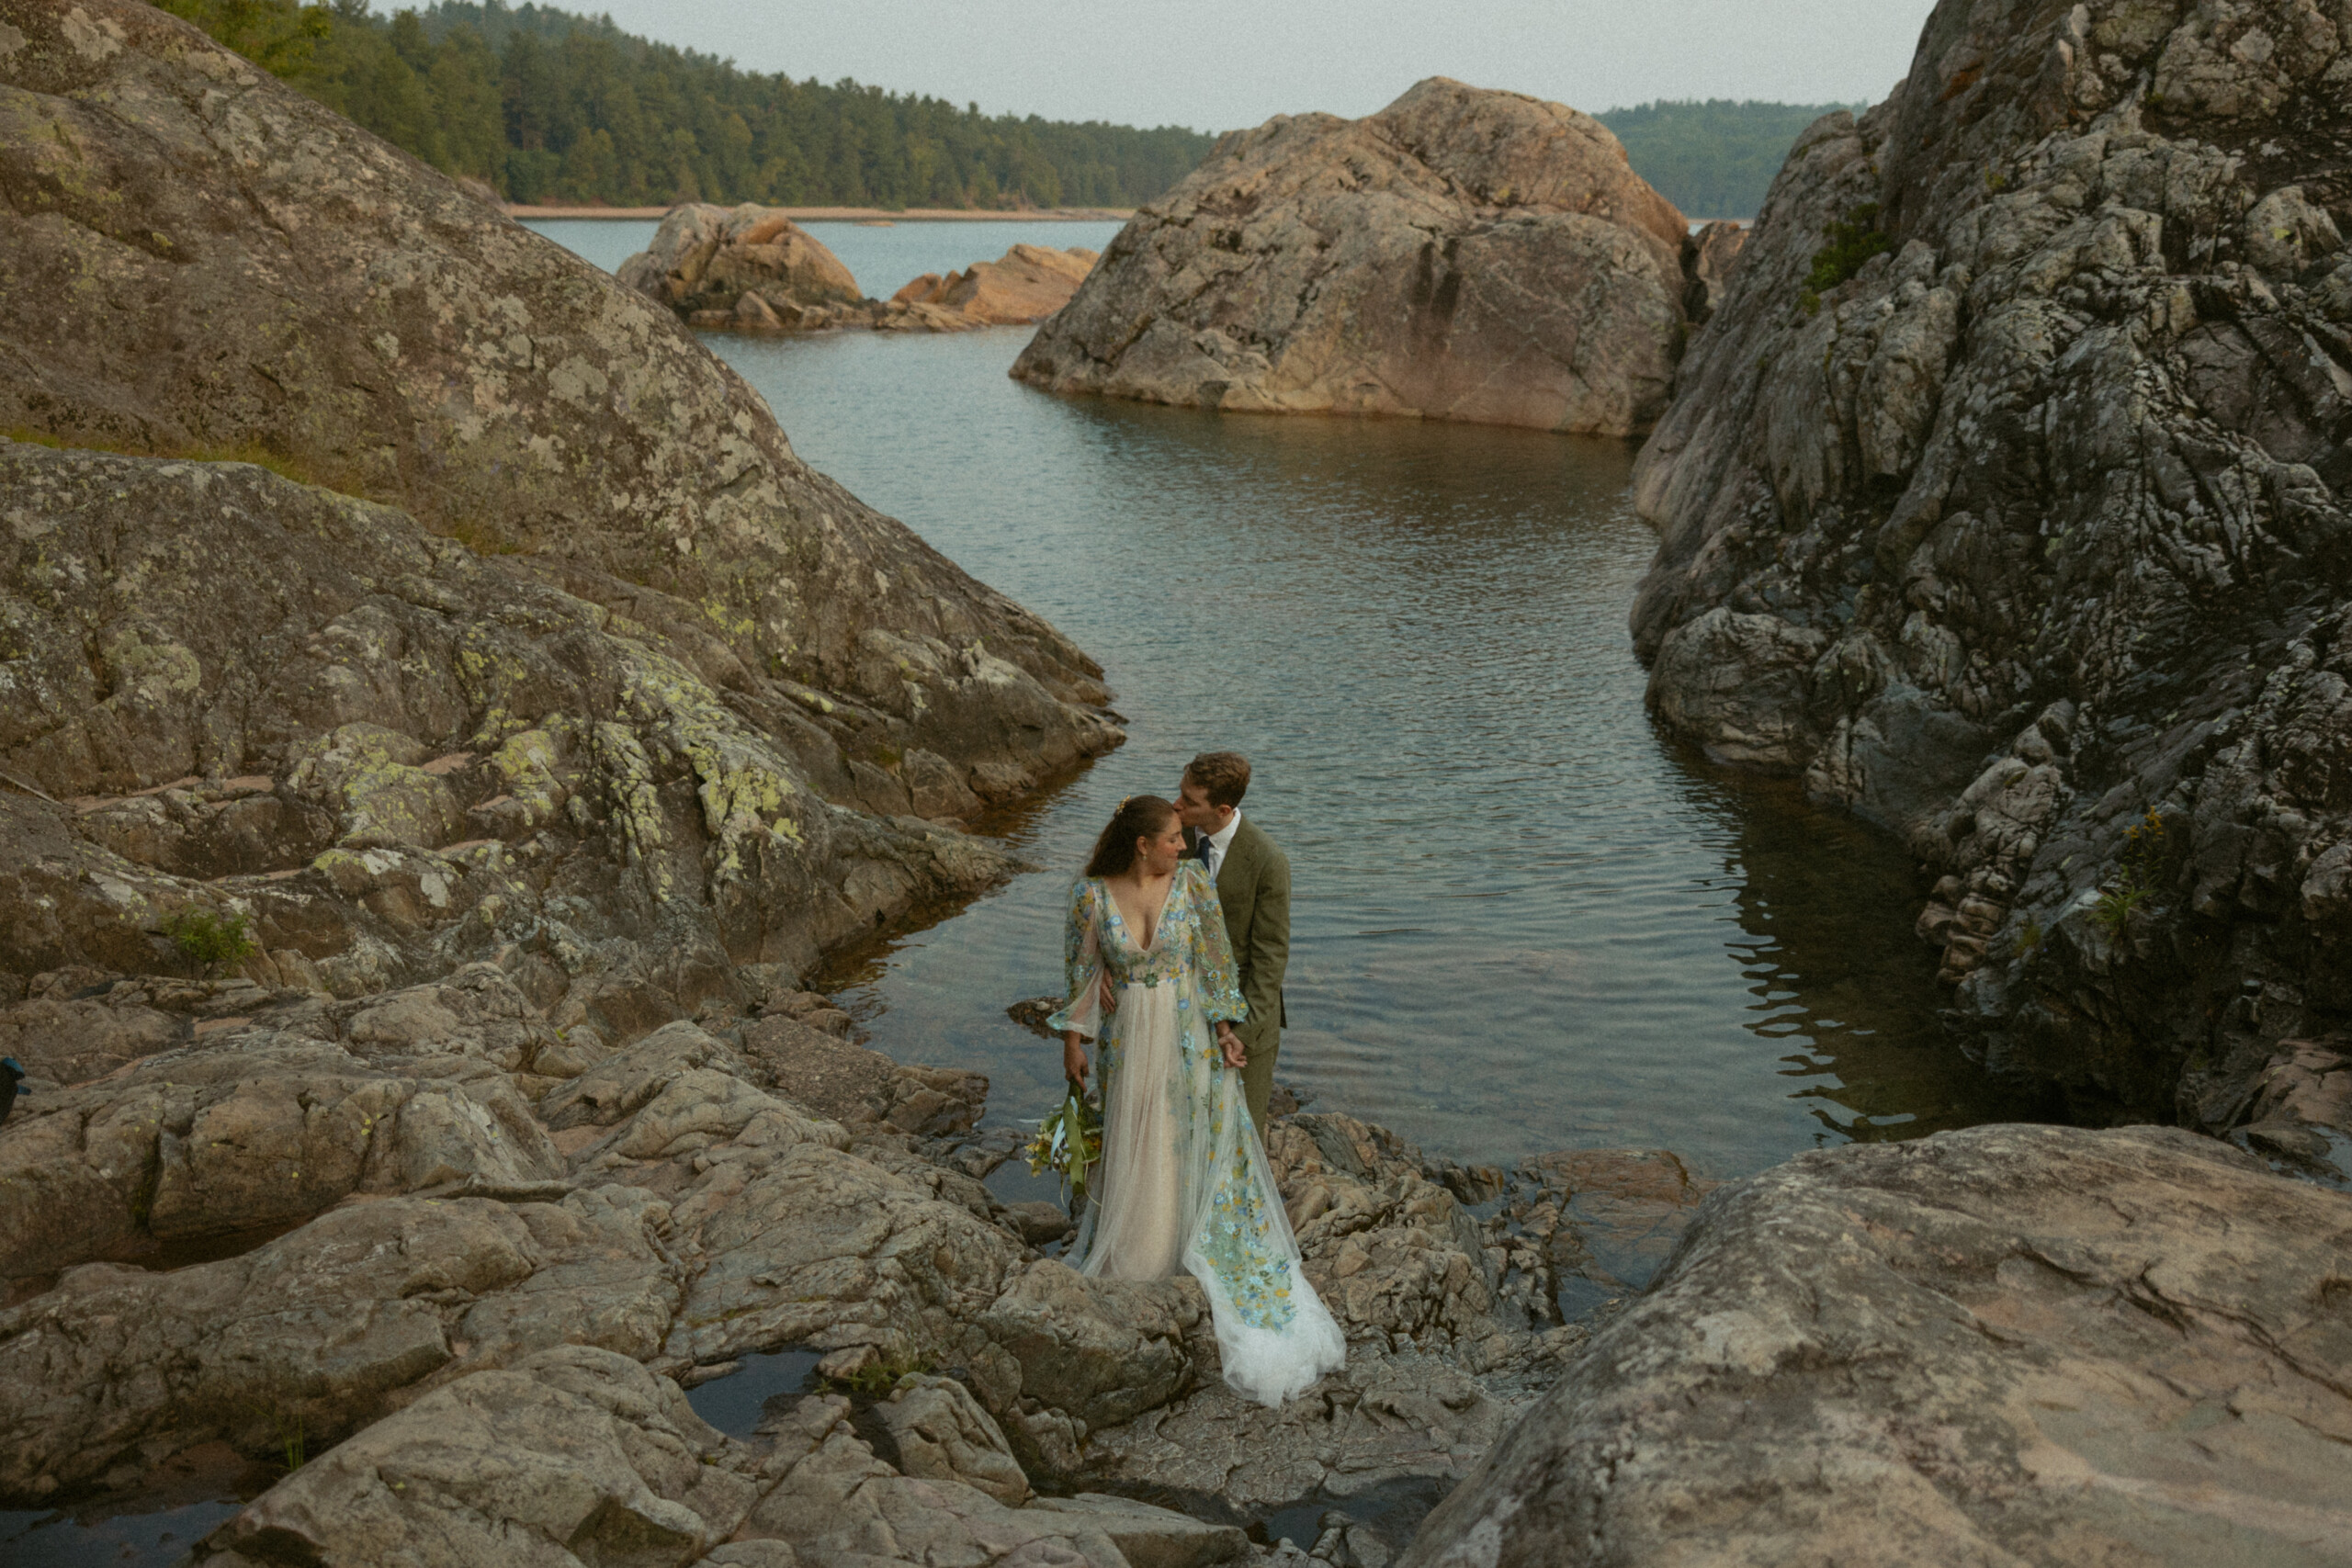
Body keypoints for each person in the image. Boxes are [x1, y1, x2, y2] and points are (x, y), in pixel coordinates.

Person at [1048, 794, 1343, 1406]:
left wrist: (1228, 1032)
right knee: (1137, 1133)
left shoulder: (1192, 885)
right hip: (1126, 1043)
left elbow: (1215, 966)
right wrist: (1073, 1043)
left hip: (1188, 1042)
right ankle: (1136, 1249)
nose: (1184, 846)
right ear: (1142, 844)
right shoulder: (1091, 896)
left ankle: (1192, 1241)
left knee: (1188, 1136)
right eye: (1174, 838)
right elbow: (1079, 972)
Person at [1174, 752, 1290, 1134]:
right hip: (1180, 1007)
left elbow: (1270, 956)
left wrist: (1244, 1030)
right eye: (1181, 794)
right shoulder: (1170, 841)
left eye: (1190, 802)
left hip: (1246, 1014)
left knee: (1243, 1135)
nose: (1177, 805)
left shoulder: (1268, 860)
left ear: (1223, 809)